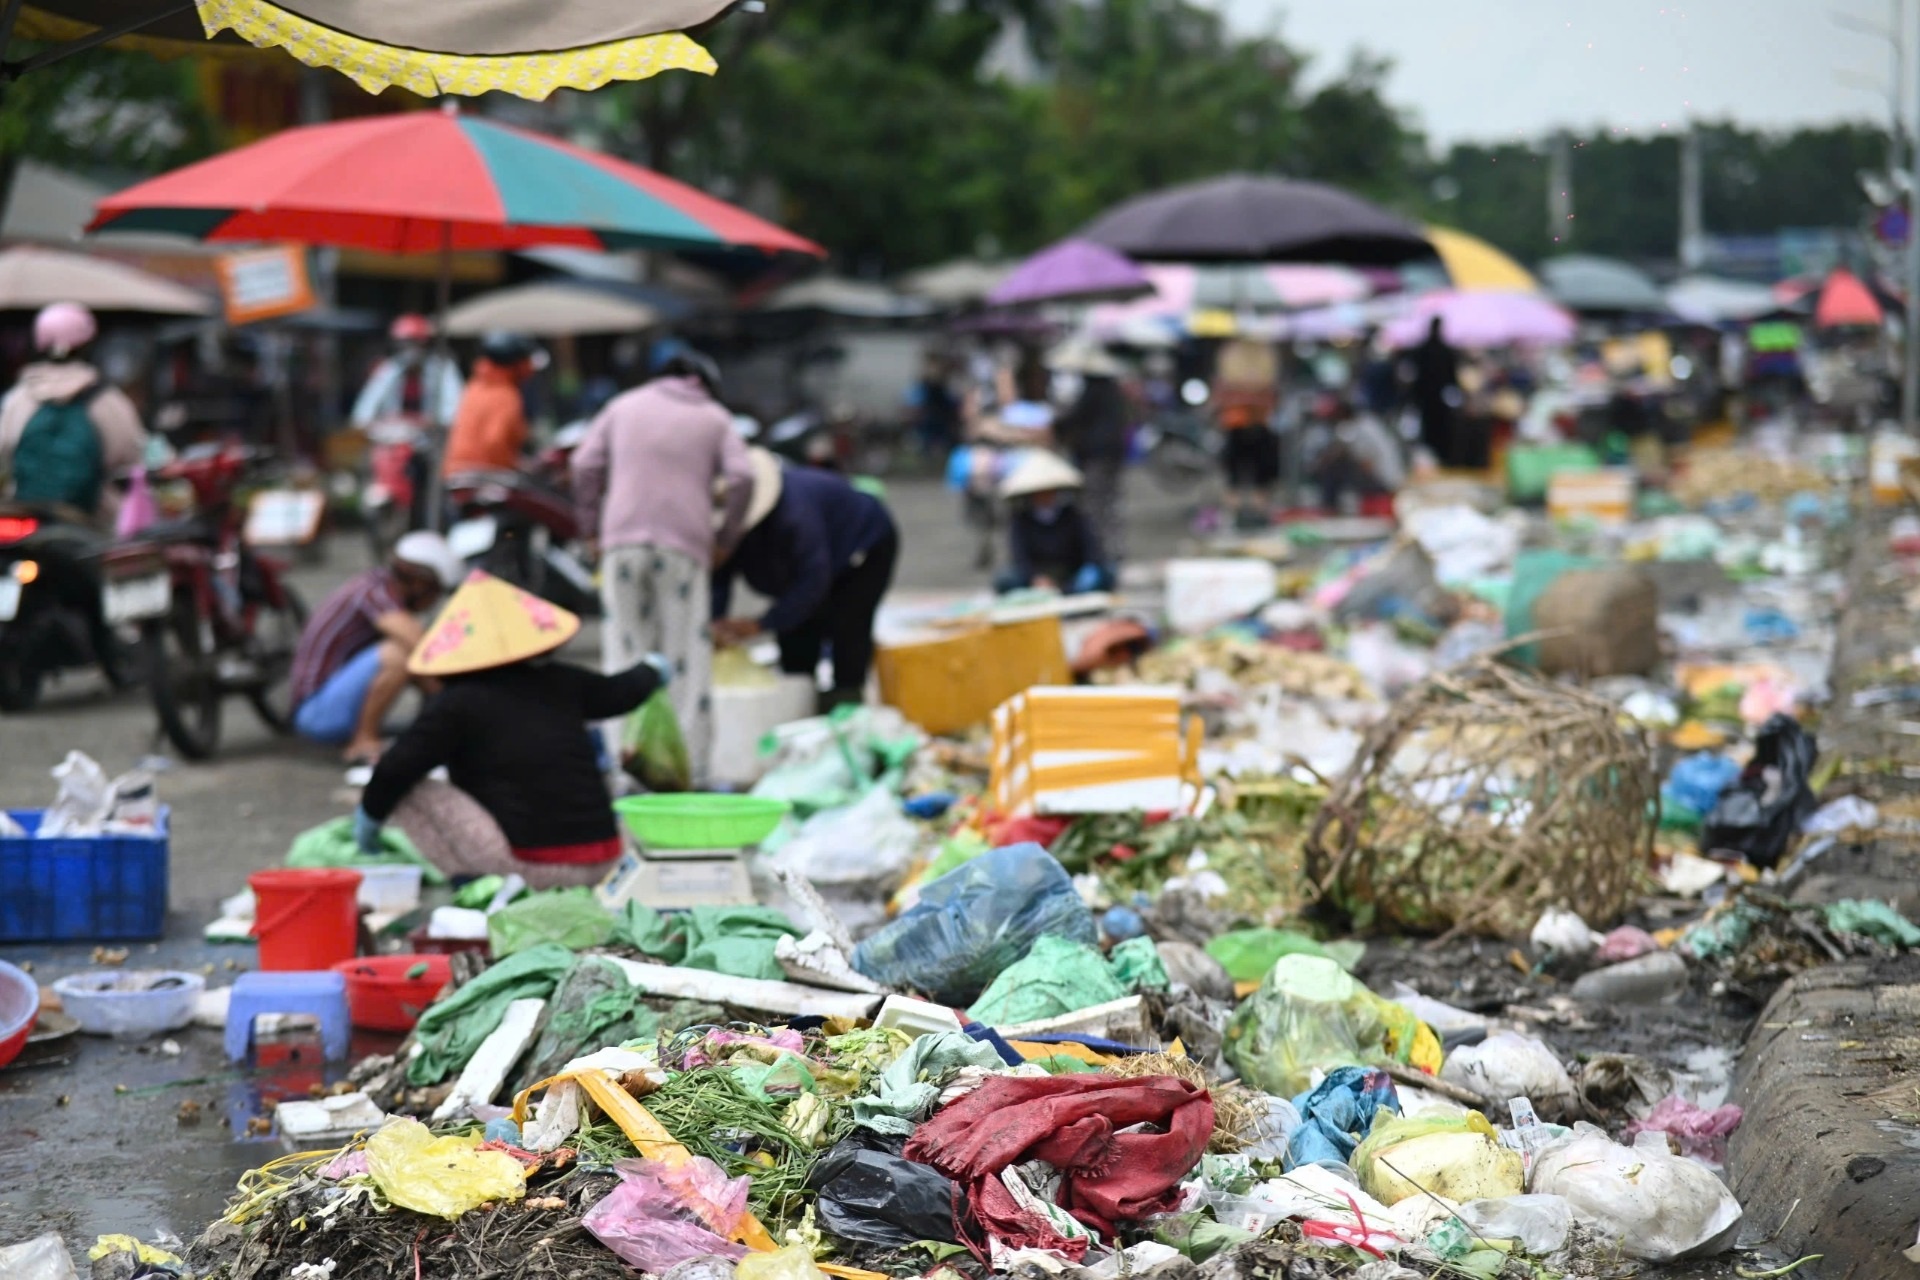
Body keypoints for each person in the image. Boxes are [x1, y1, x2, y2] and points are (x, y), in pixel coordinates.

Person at [353, 572, 670, 889]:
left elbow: (397, 767)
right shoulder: (561, 680)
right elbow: (620, 691)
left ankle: (473, 880)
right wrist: (652, 670)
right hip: (606, 860)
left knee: (409, 786)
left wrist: (369, 817)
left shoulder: (456, 703)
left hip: (530, 867)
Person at [573, 346, 752, 785]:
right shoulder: (713, 417)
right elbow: (744, 477)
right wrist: (726, 538)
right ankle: (687, 772)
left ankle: (625, 772)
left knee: (624, 655)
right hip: (684, 548)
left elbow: (582, 464)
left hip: (621, 544)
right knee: (686, 659)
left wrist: (590, 529)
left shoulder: (622, 406)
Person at [711, 449, 898, 713]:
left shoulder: (795, 516)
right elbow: (720, 573)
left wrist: (761, 624)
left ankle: (846, 707)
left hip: (862, 548)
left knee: (847, 631)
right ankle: (802, 708)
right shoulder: (732, 531)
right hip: (810, 566)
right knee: (796, 645)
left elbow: (812, 581)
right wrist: (714, 624)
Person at [289, 531, 464, 764]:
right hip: (315, 714)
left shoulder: (378, 585)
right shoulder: (373, 592)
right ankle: (363, 743)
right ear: (419, 582)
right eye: (435, 591)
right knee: (400, 654)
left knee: (415, 662)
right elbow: (420, 644)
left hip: (324, 705)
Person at [0, 303, 147, 521]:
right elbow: (133, 455)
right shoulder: (108, 400)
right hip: (92, 521)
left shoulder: (18, 398)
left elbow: (4, 453)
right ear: (89, 344)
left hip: (25, 517)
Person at [1050, 341, 1132, 566]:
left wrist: (1056, 427)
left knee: (1096, 502)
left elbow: (1076, 418)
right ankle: (1115, 547)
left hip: (1097, 453)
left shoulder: (1094, 388)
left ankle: (1101, 550)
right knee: (1111, 499)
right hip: (1113, 452)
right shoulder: (1111, 388)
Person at [995, 451, 1113, 595]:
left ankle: (1072, 592)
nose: (1044, 496)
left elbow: (1091, 549)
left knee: (1104, 573)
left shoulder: (1074, 516)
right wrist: (1036, 578)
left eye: (1049, 491)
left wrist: (1084, 573)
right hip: (1037, 576)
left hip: (1072, 573)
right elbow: (1020, 556)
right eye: (1039, 491)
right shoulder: (1021, 521)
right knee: (1006, 578)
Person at [443, 331, 538, 477]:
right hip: (483, 476)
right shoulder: (506, 395)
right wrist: (514, 465)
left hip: (456, 473)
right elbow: (495, 442)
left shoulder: (474, 386)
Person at [1212, 337, 1281, 529]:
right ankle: (1236, 516)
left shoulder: (1260, 355)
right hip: (1238, 425)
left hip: (1256, 426)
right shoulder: (1236, 356)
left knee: (1258, 476)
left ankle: (1255, 515)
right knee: (1237, 476)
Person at [351, 314, 463, 429]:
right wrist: (371, 423)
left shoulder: (442, 368)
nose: (406, 349)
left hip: (432, 435)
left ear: (423, 342)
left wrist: (437, 423)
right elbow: (366, 407)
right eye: (401, 344)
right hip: (394, 434)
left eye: (410, 343)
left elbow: (453, 406)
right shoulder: (390, 368)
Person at [1413, 316, 1463, 467]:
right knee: (1439, 430)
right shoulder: (1442, 350)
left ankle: (1435, 457)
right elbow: (1452, 377)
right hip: (1436, 399)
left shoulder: (1423, 349)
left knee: (1432, 430)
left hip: (1429, 399)